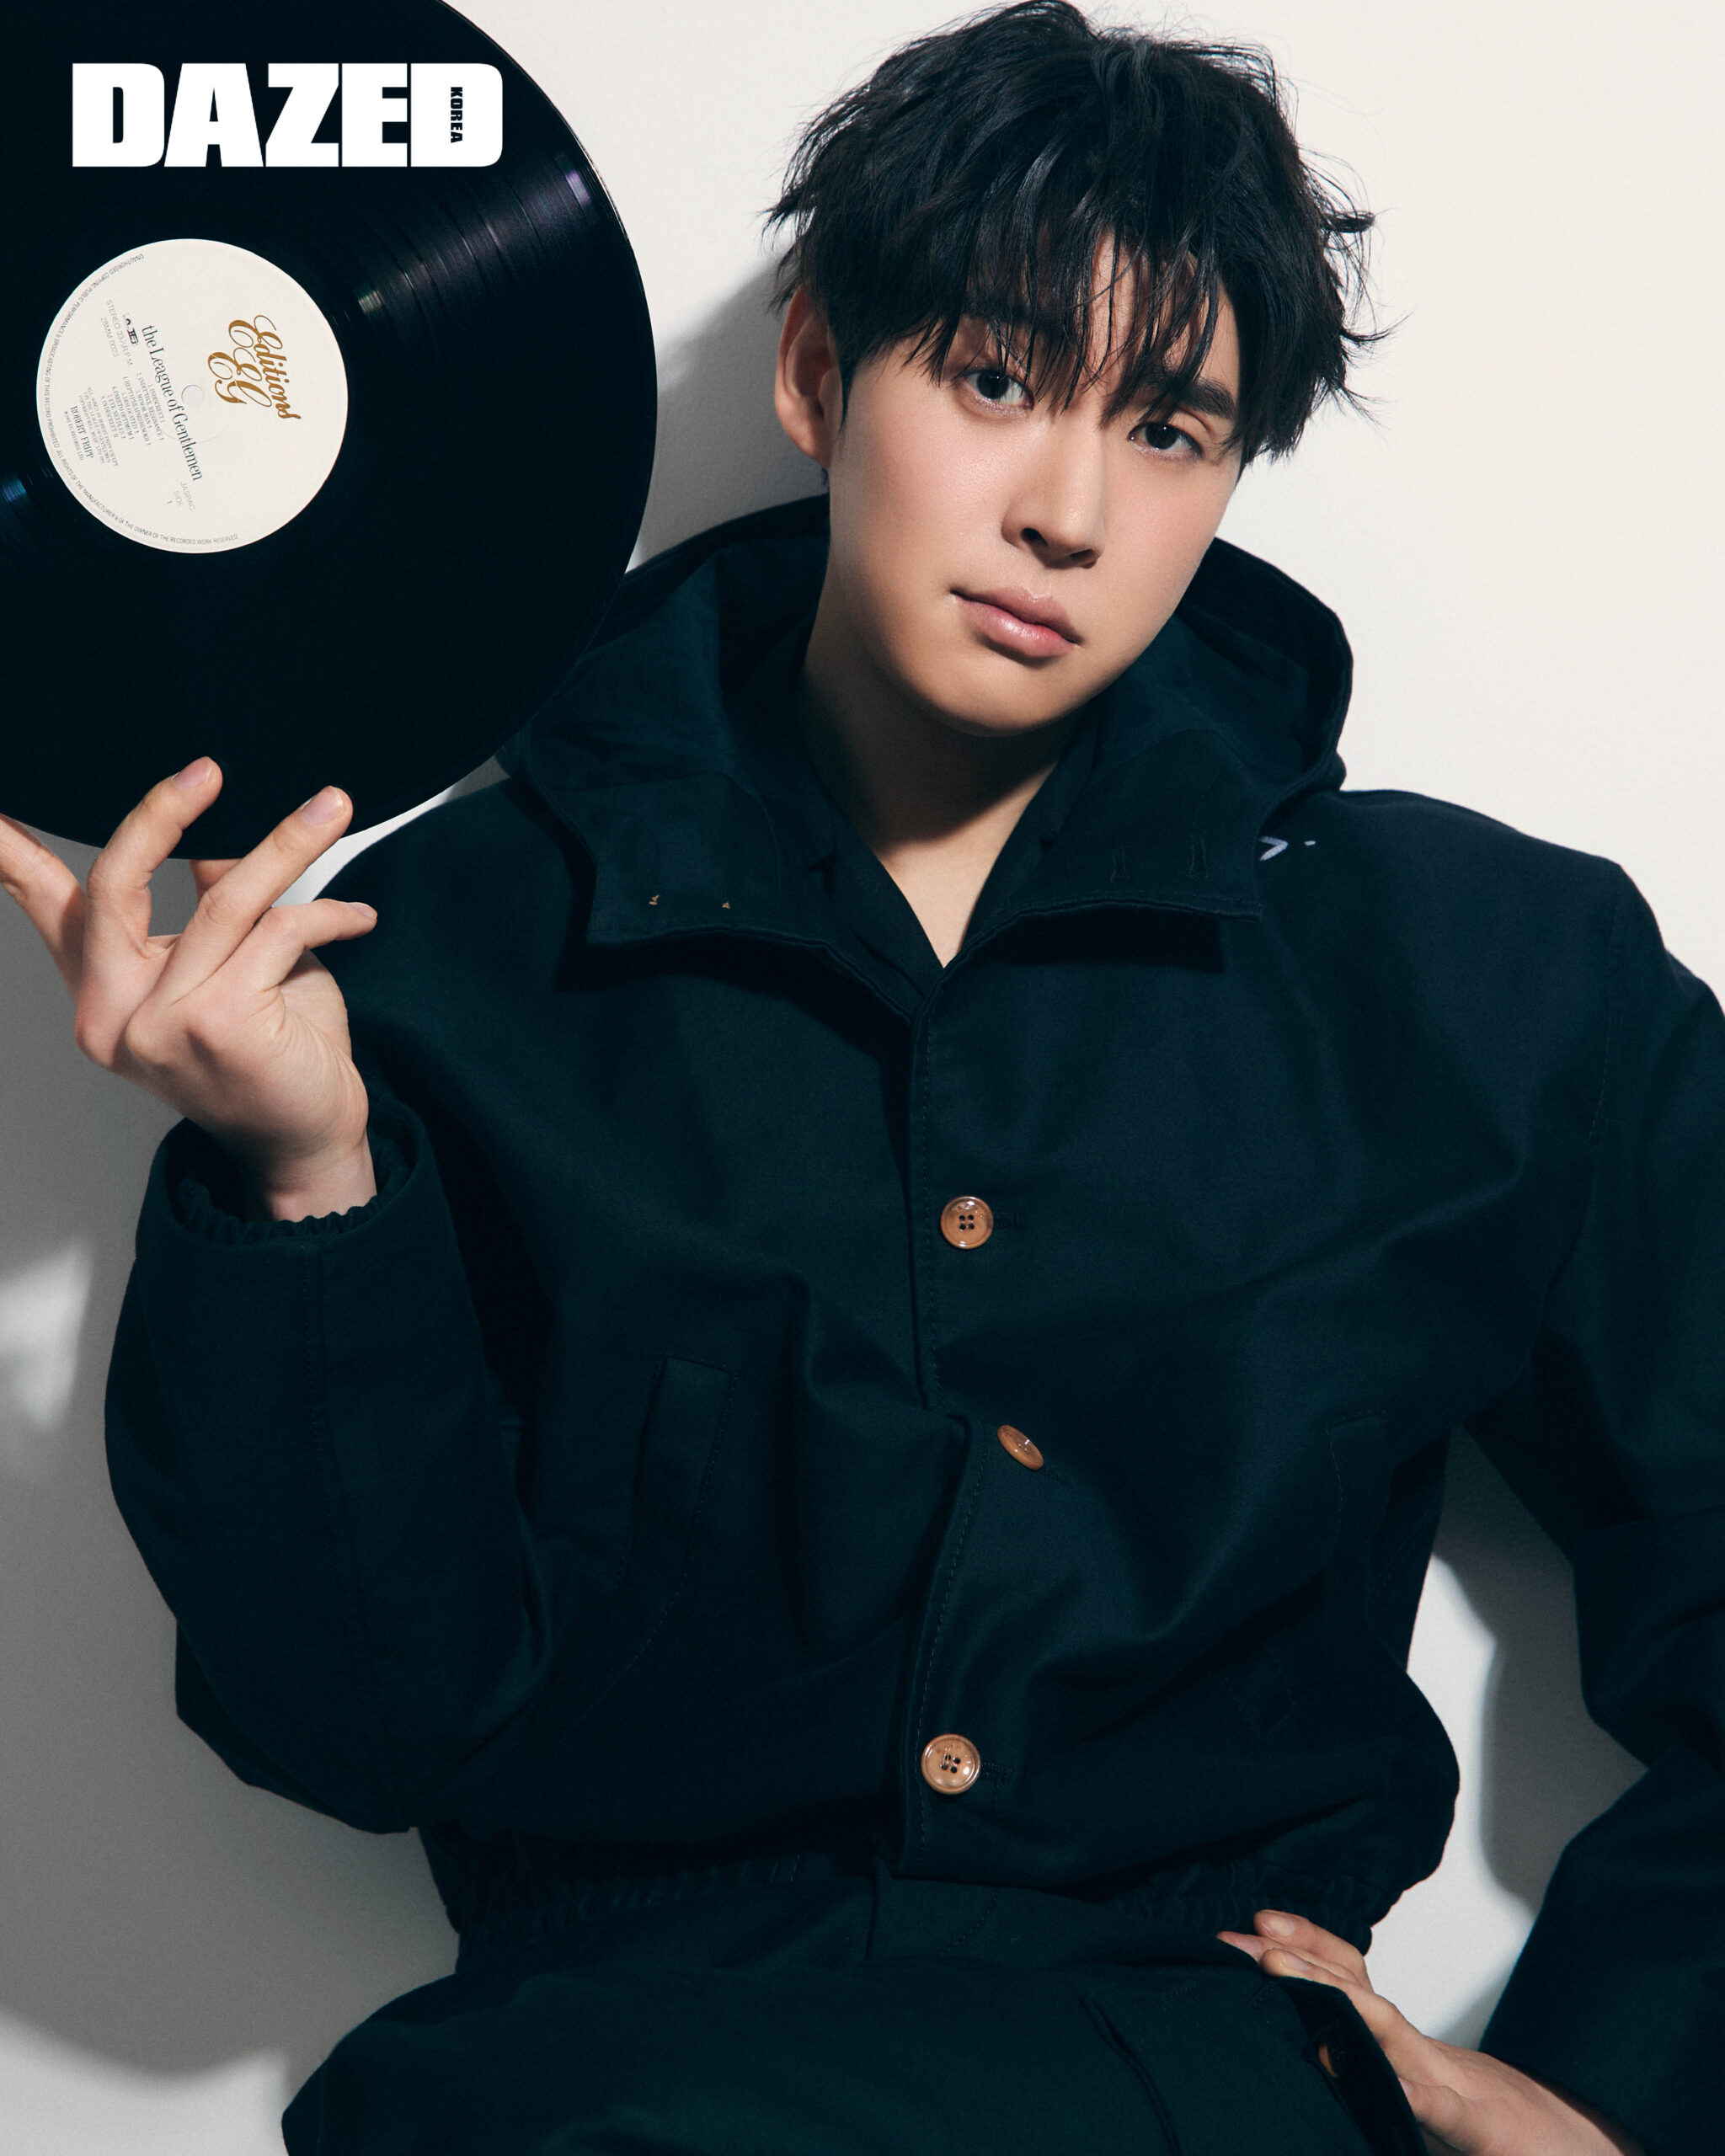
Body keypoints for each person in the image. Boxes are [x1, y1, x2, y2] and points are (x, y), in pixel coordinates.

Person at [1, 4, 1717, 2150]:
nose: (1069, 510)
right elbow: (355, 1718)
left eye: (1168, 427)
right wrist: (299, 1171)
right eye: (995, 380)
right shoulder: (428, 955)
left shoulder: (1490, 976)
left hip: (1197, 2094)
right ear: (818, 371)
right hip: (599, 2097)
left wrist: (1610, 2096)